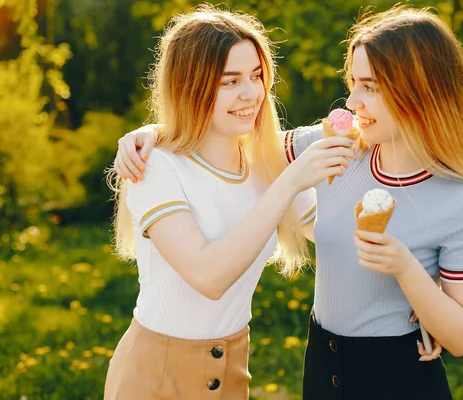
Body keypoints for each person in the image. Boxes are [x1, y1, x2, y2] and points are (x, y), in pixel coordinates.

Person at [114, 5, 463, 400]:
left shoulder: (461, 201)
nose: (351, 101)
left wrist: (421, 288)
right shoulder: (321, 153)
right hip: (249, 370)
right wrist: (154, 132)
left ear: (419, 91)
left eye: (369, 85)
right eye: (353, 81)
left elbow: (337, 228)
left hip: (357, 372)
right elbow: (238, 147)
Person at [103, 5, 358, 400]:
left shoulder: (268, 164)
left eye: (257, 76)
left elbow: (343, 240)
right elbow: (208, 277)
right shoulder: (155, 166)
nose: (251, 93)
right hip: (153, 378)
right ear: (190, 85)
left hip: (233, 374)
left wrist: (424, 294)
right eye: (230, 80)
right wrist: (290, 180)